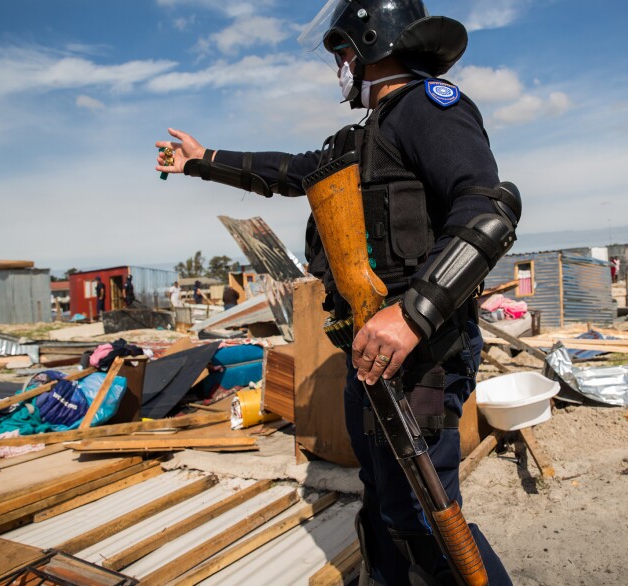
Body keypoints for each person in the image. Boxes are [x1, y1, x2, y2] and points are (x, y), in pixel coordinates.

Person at [155, 2, 516, 583]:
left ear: (371, 43)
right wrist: (204, 161)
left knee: (424, 512)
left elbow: (488, 212)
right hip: (369, 350)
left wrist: (413, 315)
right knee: (382, 502)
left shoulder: (429, 107)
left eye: (342, 51)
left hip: (421, 351)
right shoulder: (364, 135)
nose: (340, 65)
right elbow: (288, 172)